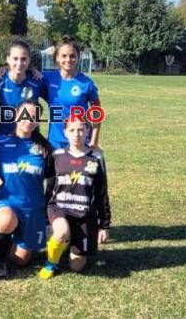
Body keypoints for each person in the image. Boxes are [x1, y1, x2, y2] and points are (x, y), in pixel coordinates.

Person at [0, 100, 54, 278]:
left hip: (33, 207)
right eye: (24, 115)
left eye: (33, 117)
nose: (28, 120)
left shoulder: (44, 148)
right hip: (8, 202)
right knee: (6, 220)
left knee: (21, 260)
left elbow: (51, 180)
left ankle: (9, 240)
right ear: (16, 116)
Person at [38, 117, 111, 279]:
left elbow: (101, 192)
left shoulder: (95, 158)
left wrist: (104, 226)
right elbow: (49, 188)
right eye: (72, 130)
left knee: (77, 266)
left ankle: (66, 242)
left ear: (87, 131)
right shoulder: (57, 156)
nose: (76, 134)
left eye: (80, 129)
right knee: (61, 231)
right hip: (60, 208)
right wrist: (45, 220)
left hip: (84, 214)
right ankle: (51, 263)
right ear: (65, 133)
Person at [43, 36, 102, 150]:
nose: (68, 60)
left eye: (72, 56)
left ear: (78, 57)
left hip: (80, 142)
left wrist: (94, 141)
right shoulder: (47, 78)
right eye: (64, 56)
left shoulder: (86, 83)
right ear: (57, 58)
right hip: (55, 143)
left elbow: (97, 113)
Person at [0, 39, 45, 136]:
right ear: (8, 59)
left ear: (29, 60)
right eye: (15, 58)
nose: (19, 63)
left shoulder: (38, 80)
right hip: (3, 137)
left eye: (24, 59)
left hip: (30, 138)